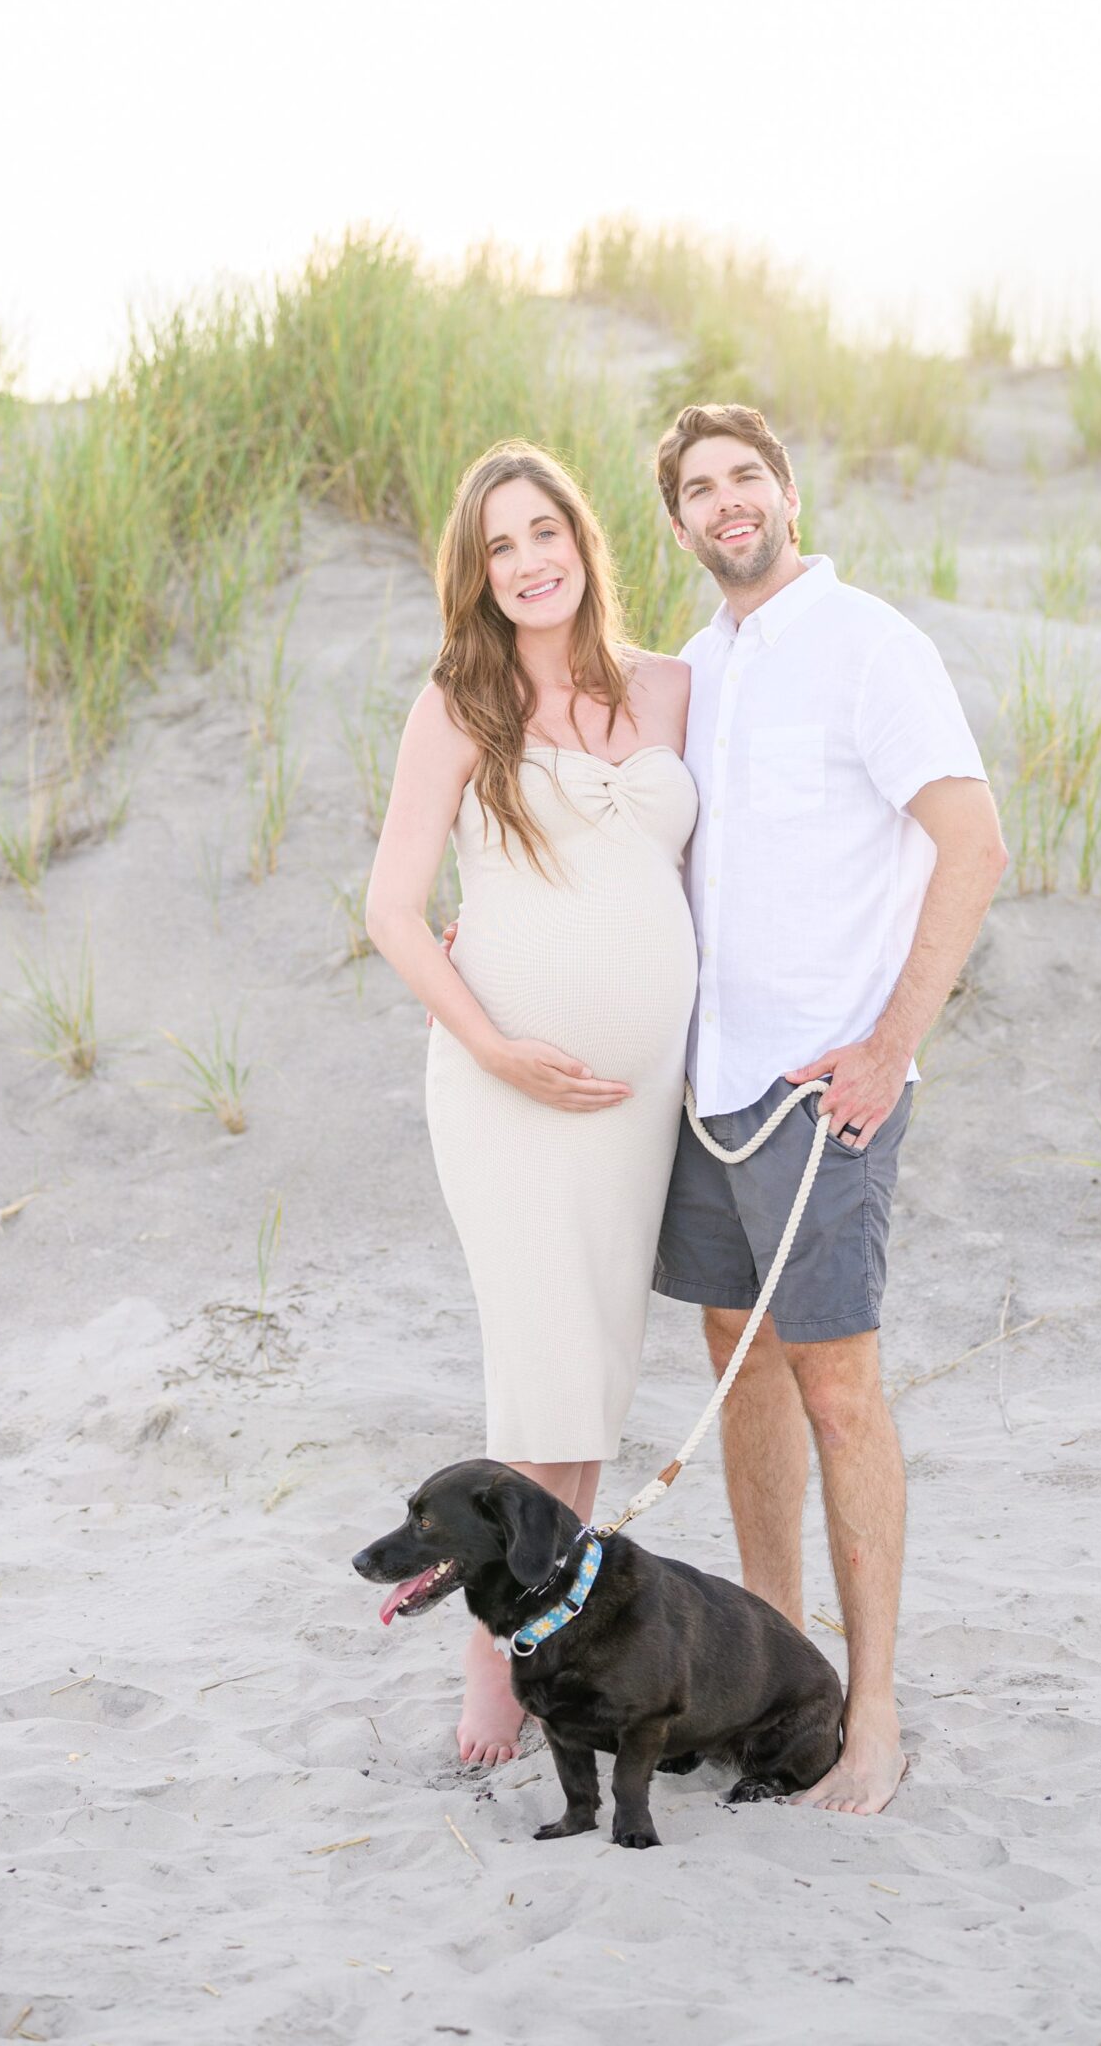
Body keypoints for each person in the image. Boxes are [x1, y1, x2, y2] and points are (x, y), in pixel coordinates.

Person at [651, 402, 1008, 1816]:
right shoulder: (692, 668)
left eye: (748, 477)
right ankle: (765, 1673)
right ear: (676, 524)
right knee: (737, 1367)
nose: (727, 502)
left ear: (790, 494)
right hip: (710, 1078)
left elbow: (971, 842)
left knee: (837, 1386)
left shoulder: (871, 647)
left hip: (822, 1088)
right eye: (699, 488)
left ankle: (872, 1716)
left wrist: (887, 1045)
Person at [365, 440, 698, 1768]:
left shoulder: (675, 686)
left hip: (638, 1101)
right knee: (540, 1376)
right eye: (499, 545)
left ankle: (535, 1638)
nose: (527, 560)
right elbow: (394, 911)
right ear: (477, 572)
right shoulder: (462, 700)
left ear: (584, 539)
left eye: (543, 530)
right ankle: (489, 1670)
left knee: (593, 1384)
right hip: (505, 1097)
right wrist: (500, 1048)